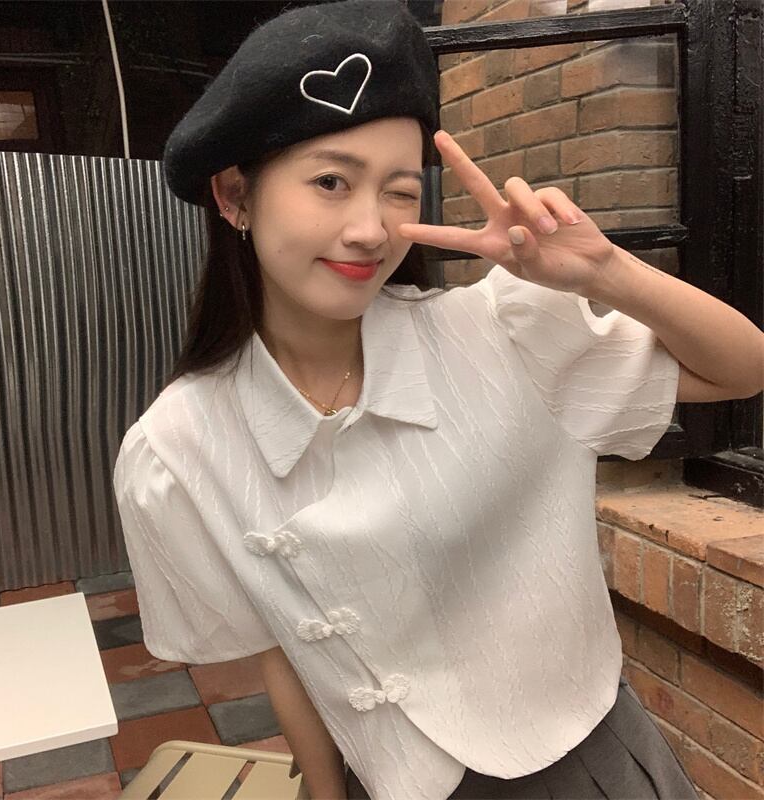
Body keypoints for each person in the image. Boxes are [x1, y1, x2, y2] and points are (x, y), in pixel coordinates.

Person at [113, 0, 761, 797]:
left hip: (582, 764)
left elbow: (741, 369)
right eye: (330, 182)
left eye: (399, 191)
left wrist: (606, 272)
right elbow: (282, 650)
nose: (369, 229)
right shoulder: (178, 448)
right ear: (234, 195)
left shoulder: (504, 336)